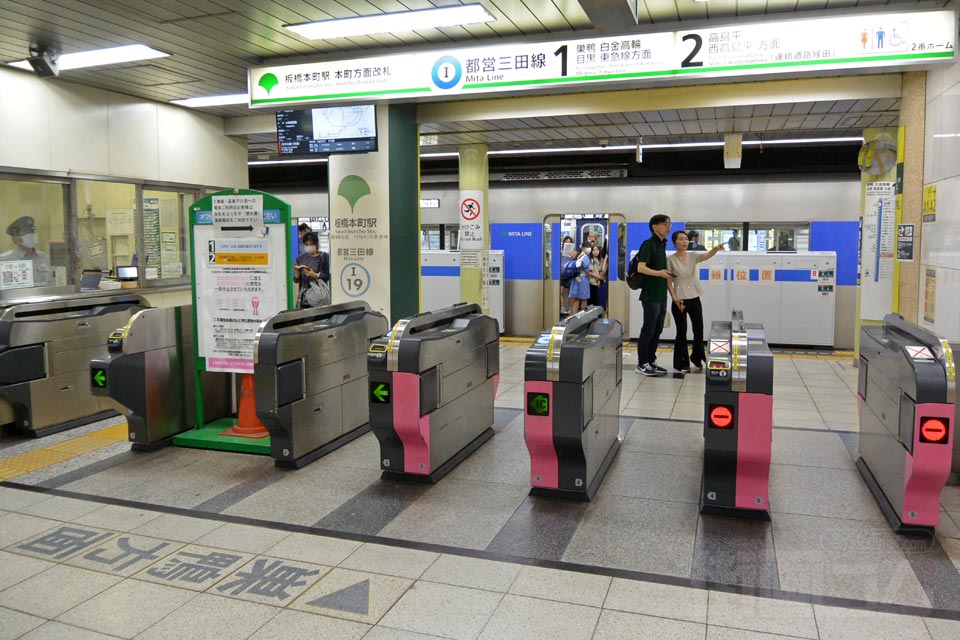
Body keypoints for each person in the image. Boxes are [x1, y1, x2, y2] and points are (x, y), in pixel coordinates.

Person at [667, 230, 725, 373]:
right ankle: (681, 362)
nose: (685, 241)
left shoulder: (693, 256)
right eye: (681, 239)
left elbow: (706, 256)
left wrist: (715, 249)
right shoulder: (669, 259)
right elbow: (668, 282)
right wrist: (674, 299)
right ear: (674, 243)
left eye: (686, 239)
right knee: (682, 332)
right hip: (679, 299)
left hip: (694, 296)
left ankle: (697, 357)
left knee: (698, 329)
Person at [635, 214, 673, 376]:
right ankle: (641, 363)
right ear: (654, 227)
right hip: (650, 295)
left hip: (661, 294)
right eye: (665, 224)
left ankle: (651, 360)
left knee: (658, 329)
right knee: (648, 329)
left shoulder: (662, 244)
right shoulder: (649, 244)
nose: (668, 227)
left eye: (669, 224)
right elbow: (640, 268)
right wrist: (658, 273)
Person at [1, 216, 50, 287]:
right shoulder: (5, 259)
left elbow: (49, 283)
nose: (31, 234)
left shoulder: (44, 257)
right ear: (15, 238)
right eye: (25, 232)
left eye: (32, 231)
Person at [292, 231, 330, 308]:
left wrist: (315, 275)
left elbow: (328, 276)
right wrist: (297, 273)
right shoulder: (300, 258)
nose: (308, 247)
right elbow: (296, 280)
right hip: (304, 296)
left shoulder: (324, 257)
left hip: (319, 294)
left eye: (311, 244)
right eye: (306, 245)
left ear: (316, 244)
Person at [568, 241, 592, 314]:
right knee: (584, 299)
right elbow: (587, 270)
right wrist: (589, 277)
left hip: (576, 279)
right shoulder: (585, 257)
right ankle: (582, 317)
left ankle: (575, 316)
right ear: (583, 248)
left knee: (576, 299)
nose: (589, 249)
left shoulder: (578, 256)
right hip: (583, 279)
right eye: (587, 247)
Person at [559, 235, 575, 315]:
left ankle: (570, 309)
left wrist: (574, 256)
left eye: (569, 243)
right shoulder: (560, 252)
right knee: (559, 292)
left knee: (571, 292)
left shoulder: (574, 252)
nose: (568, 244)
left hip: (569, 273)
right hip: (561, 273)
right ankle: (562, 308)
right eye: (566, 242)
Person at [588, 243, 604, 308]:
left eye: (597, 249)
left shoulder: (598, 259)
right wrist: (599, 277)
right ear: (591, 252)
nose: (596, 251)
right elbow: (590, 272)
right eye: (594, 250)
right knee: (592, 300)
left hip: (597, 283)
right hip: (591, 283)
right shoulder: (591, 260)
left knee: (596, 300)